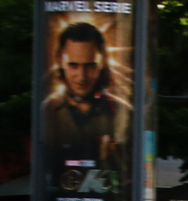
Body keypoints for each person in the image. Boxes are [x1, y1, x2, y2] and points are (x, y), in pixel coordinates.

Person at [39, 21, 131, 164]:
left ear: (103, 61)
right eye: (73, 65)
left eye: (90, 66)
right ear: (59, 60)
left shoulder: (123, 111)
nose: (82, 76)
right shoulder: (47, 110)